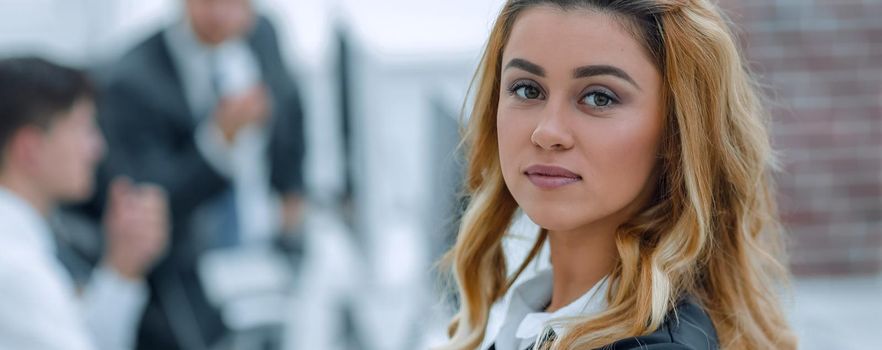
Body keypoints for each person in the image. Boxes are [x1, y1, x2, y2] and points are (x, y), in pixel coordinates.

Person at [438, 1, 798, 349]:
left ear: (677, 131)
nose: (547, 132)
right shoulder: (531, 314)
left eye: (599, 98)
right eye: (527, 89)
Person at [85, 0, 307, 348]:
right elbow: (149, 204)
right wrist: (219, 143)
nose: (221, 16)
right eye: (208, 3)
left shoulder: (263, 33)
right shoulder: (131, 81)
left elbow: (290, 109)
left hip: (264, 246)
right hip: (187, 278)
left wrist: (293, 193)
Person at [0, 57, 169, 350]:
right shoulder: (15, 266)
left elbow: (79, 337)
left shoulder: (30, 237)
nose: (97, 148)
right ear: (30, 148)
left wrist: (123, 265)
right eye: (84, 128)